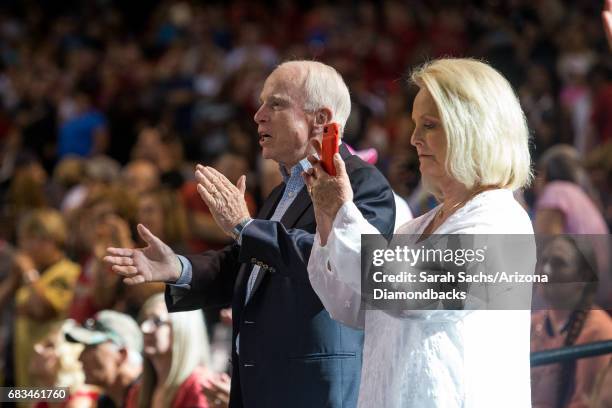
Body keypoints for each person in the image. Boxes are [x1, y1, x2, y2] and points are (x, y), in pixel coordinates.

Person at [104, 60, 396, 407]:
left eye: (276, 103)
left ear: (320, 119)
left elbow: (335, 263)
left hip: (313, 390)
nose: (258, 115)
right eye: (261, 103)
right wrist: (178, 268)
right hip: (260, 386)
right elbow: (248, 264)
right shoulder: (282, 192)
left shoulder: (365, 184)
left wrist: (245, 227)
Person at [304, 58, 535, 407]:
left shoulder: (502, 221)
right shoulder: (415, 229)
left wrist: (342, 212)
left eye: (429, 125)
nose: (413, 139)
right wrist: (326, 214)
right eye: (415, 125)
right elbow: (349, 306)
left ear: (474, 130)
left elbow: (409, 293)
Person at [531, 236, 612, 408]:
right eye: (543, 261)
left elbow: (588, 402)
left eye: (559, 263)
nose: (545, 270)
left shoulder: (599, 332)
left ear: (584, 276)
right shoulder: (531, 324)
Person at [125, 293, 211, 408]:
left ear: (182, 328)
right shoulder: (138, 392)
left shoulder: (200, 386)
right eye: (144, 320)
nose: (145, 328)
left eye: (157, 321)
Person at [65, 310, 143, 408]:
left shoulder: (151, 396)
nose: (80, 358)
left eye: (91, 348)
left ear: (121, 354)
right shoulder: (106, 403)